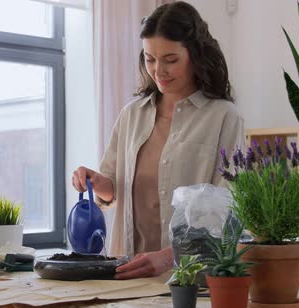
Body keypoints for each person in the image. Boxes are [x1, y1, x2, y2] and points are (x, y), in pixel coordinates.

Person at [72, 2, 244, 279]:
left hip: (189, 278)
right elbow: (114, 190)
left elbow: (227, 207)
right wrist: (99, 183)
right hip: (126, 273)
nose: (158, 70)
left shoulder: (223, 117)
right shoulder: (131, 115)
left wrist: (169, 257)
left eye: (170, 59)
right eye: (150, 59)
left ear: (195, 55)